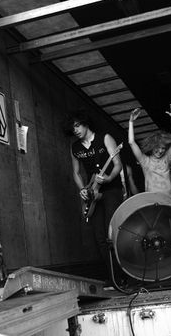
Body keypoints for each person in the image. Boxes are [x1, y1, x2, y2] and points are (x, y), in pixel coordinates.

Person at [68, 111, 123, 283]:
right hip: (93, 192)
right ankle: (115, 277)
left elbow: (118, 164)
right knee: (99, 237)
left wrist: (109, 178)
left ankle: (126, 272)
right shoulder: (75, 147)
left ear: (85, 123)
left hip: (111, 189)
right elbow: (76, 172)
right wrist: (82, 189)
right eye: (72, 128)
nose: (75, 130)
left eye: (77, 125)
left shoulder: (105, 138)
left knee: (112, 232)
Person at [128, 102, 171, 196]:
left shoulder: (166, 158)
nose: (160, 151)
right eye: (158, 148)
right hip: (153, 200)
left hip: (169, 199)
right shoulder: (145, 161)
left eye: (163, 148)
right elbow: (131, 142)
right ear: (152, 147)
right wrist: (131, 122)